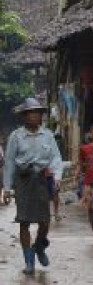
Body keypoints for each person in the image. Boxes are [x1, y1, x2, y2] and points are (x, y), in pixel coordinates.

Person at [2, 97, 63, 275]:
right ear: (24, 116)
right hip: (23, 181)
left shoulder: (48, 135)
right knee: (24, 222)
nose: (34, 116)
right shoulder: (16, 136)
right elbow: (9, 163)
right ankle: (29, 261)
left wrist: (57, 177)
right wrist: (6, 188)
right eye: (30, 113)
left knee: (45, 221)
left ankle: (39, 246)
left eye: (37, 113)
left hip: (42, 180)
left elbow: (56, 159)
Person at [74, 123, 93, 244]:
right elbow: (81, 164)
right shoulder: (84, 149)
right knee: (91, 210)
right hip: (89, 183)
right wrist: (77, 175)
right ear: (91, 134)